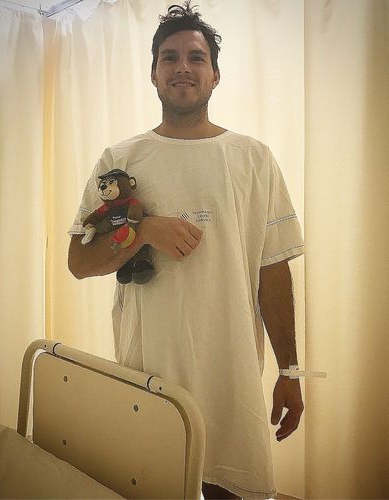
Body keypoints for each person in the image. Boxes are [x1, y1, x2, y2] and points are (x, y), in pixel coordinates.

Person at [68, 2, 305, 499]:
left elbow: (273, 270)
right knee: (151, 482)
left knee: (230, 485)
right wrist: (143, 230)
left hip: (231, 373)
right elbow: (79, 262)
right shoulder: (120, 160)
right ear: (153, 74)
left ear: (215, 75)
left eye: (196, 57)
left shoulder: (253, 159)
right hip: (148, 372)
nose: (182, 67)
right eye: (169, 57)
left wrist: (289, 370)